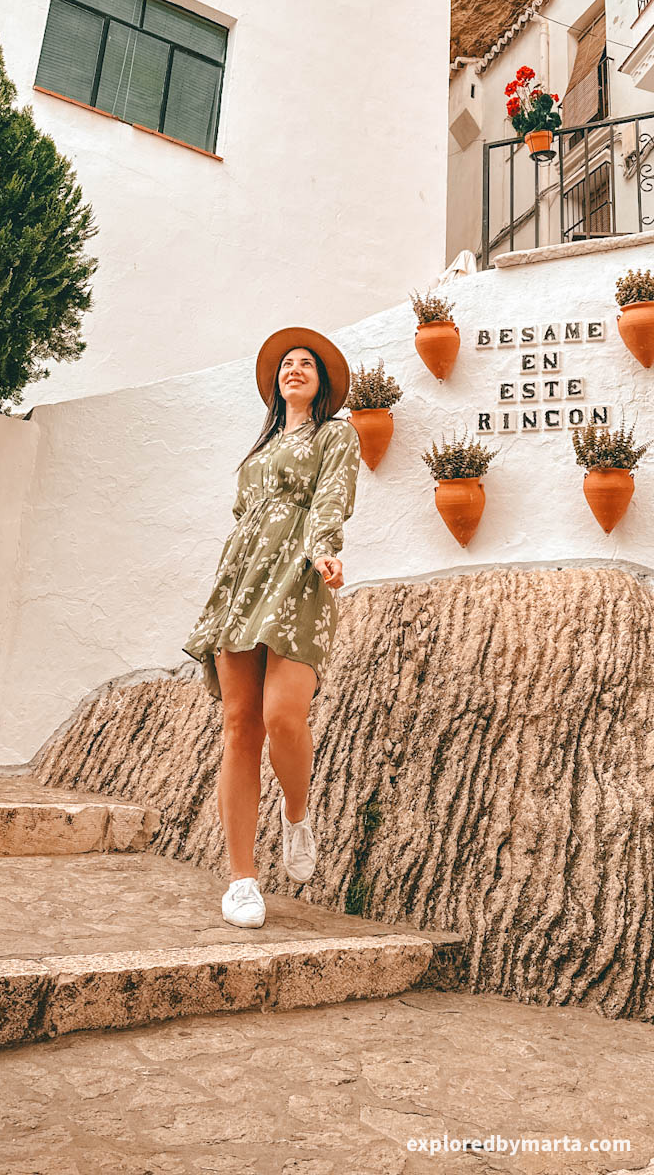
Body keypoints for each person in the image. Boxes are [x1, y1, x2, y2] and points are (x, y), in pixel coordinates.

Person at [184, 326, 361, 927]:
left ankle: (296, 812)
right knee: (240, 725)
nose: (295, 369)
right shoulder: (259, 450)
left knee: (284, 715)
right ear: (276, 384)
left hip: (300, 576)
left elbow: (331, 497)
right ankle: (241, 879)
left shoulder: (335, 434)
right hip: (241, 583)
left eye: (306, 363)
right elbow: (244, 517)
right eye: (287, 364)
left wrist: (324, 549)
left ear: (321, 381)